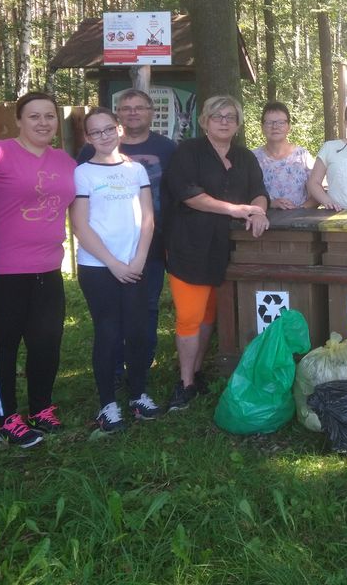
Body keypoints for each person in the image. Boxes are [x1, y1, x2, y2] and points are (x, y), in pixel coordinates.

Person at [0, 92, 77, 446]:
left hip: (48, 268)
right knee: (2, 346)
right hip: (2, 270)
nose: (43, 123)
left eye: (49, 116)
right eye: (34, 116)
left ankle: (41, 408)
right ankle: (7, 418)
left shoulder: (65, 161)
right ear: (19, 120)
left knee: (46, 342)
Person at [163, 95, 269, 412]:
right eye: (217, 116)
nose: (224, 121)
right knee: (189, 316)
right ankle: (184, 385)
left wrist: (259, 212)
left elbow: (259, 191)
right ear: (204, 121)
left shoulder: (244, 156)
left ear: (237, 123)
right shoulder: (189, 152)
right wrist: (237, 209)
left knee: (209, 314)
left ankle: (196, 370)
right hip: (189, 245)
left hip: (225, 248)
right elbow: (190, 195)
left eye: (230, 116)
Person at [71, 107, 160, 433]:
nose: (104, 136)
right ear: (87, 137)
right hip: (99, 267)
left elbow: (148, 218)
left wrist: (137, 260)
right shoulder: (83, 173)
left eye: (108, 129)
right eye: (95, 132)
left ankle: (137, 394)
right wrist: (113, 263)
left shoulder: (136, 170)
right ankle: (108, 403)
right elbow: (80, 225)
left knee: (137, 332)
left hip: (135, 264)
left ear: (119, 130)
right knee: (108, 333)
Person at [78, 89, 176, 383]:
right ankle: (114, 369)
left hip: (150, 246)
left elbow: (171, 196)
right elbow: (82, 211)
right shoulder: (87, 158)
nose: (133, 112)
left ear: (151, 111)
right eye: (126, 107)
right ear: (119, 114)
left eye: (139, 107)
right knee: (110, 318)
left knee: (146, 308)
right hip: (102, 255)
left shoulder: (168, 148)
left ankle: (141, 367)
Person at [253, 101, 317, 209]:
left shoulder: (302, 156)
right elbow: (245, 194)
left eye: (281, 122)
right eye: (269, 122)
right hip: (263, 221)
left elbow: (316, 195)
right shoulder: (252, 158)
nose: (275, 127)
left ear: (289, 127)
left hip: (300, 221)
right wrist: (271, 203)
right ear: (262, 127)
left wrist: (299, 209)